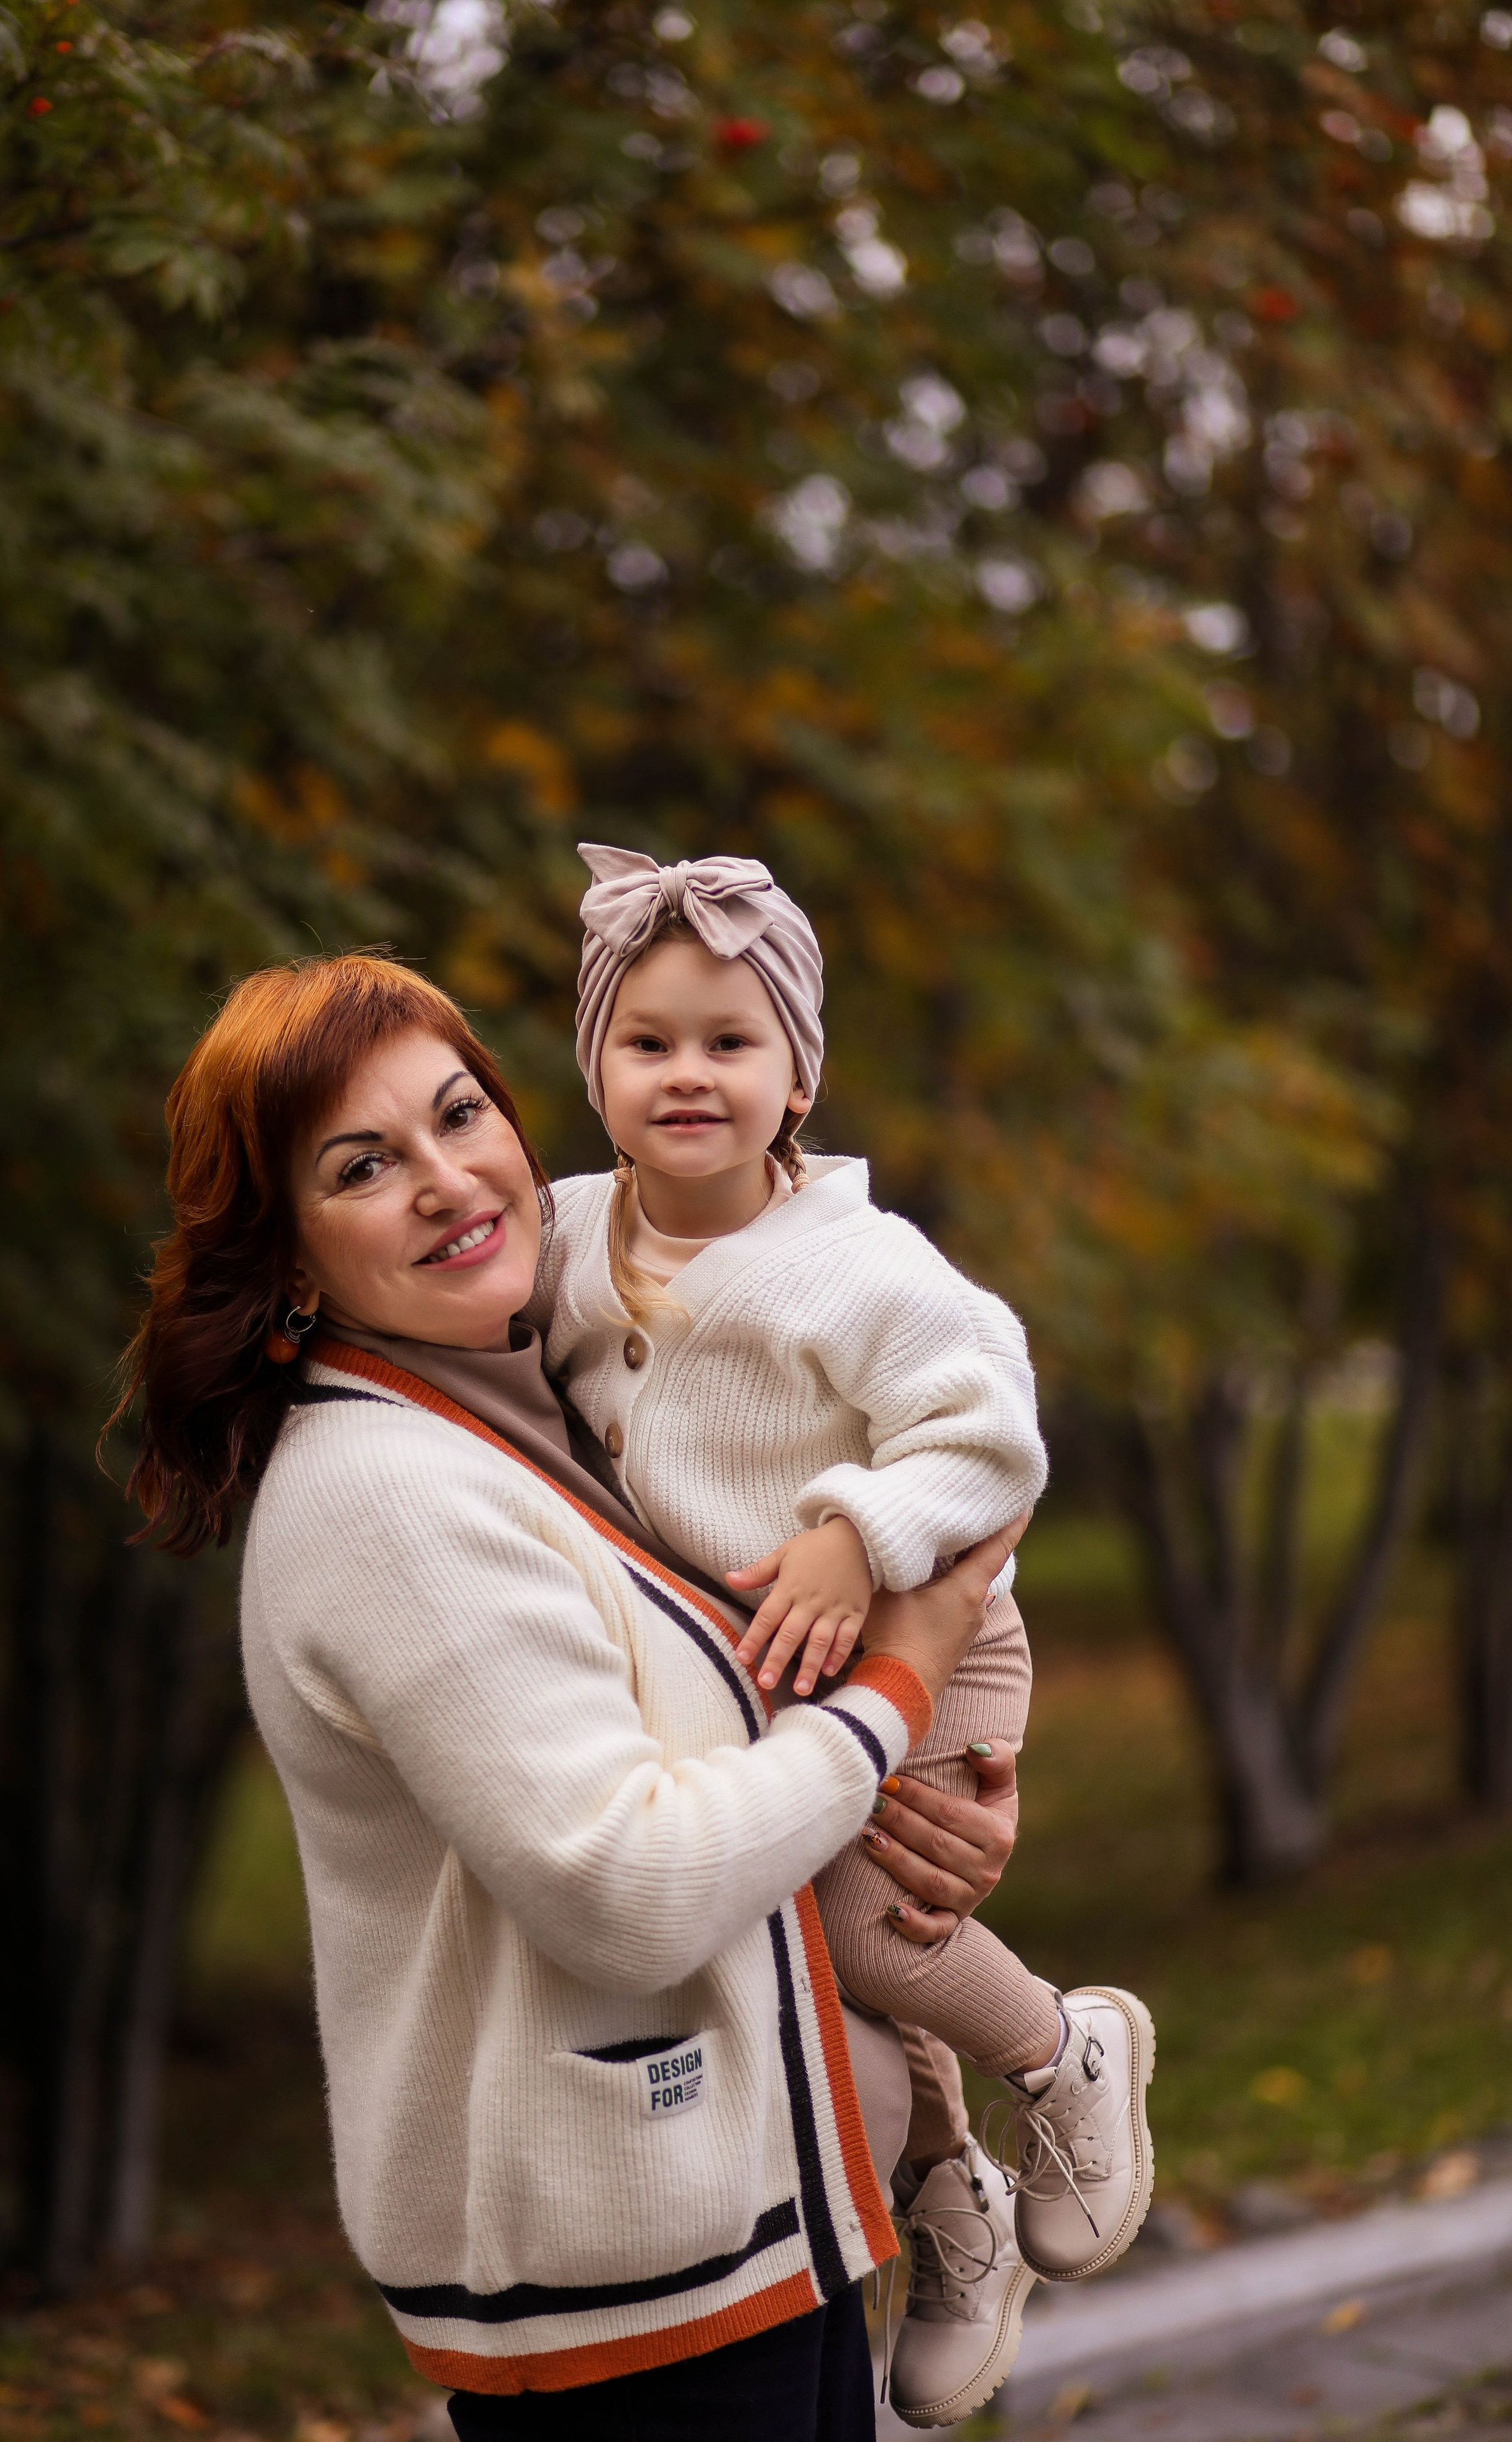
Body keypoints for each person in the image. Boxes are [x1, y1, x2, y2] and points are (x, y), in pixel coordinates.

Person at [108, 951, 1024, 2442]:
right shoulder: (387, 1495)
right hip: (627, 2309)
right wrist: (895, 1695)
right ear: (292, 1260)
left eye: (458, 1114)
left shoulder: (548, 1405)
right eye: (362, 1165)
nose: (445, 1180)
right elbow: (629, 1882)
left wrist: (913, 1831)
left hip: (750, 2234)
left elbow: (712, 1741)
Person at [528, 846, 1157, 2429]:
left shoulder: (857, 1262)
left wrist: (854, 1527)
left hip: (931, 1633)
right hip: (771, 1676)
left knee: (874, 1935)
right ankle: (949, 2200)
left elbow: (989, 1433)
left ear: (796, 1072)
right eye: (646, 1040)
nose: (687, 1073)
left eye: (728, 1041)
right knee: (804, 1951)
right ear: (594, 1071)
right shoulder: (562, 1239)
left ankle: (1066, 2052)